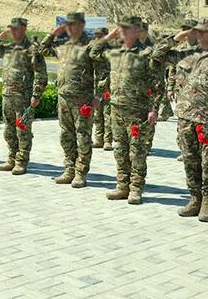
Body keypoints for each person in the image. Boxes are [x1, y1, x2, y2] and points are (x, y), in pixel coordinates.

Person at [153, 18, 208, 222]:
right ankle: (194, 199)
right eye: (197, 31)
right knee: (190, 162)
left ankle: (207, 202)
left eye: (204, 31)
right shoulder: (186, 55)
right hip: (185, 119)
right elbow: (156, 55)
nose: (199, 34)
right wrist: (178, 37)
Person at [92, 17, 161, 205]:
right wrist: (109, 36)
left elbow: (157, 84)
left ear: (137, 31)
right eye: (120, 28)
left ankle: (136, 188)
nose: (121, 31)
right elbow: (93, 51)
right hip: (116, 109)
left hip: (137, 111)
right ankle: (122, 186)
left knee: (137, 151)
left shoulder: (147, 53)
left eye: (126, 28)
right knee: (120, 150)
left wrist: (154, 109)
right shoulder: (115, 52)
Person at [40, 12, 108, 188]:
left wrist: (98, 96)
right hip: (63, 98)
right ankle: (69, 169)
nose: (69, 28)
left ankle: (80, 173)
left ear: (81, 25)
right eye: (67, 25)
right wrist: (53, 33)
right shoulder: (63, 46)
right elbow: (43, 49)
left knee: (83, 137)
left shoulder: (90, 46)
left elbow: (103, 73)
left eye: (73, 24)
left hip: (82, 100)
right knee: (66, 136)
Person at [0, 17, 48, 175]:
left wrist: (36, 95)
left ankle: (21, 161)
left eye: (16, 28)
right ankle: (11, 158)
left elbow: (41, 74)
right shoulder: (8, 48)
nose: (13, 31)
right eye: (11, 28)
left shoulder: (32, 50)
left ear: (24, 29)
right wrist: (0, 37)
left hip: (24, 97)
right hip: (7, 95)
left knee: (23, 130)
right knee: (8, 130)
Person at [168, 19, 198, 161]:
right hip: (182, 94)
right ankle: (185, 150)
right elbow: (172, 70)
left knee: (198, 125)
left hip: (199, 96)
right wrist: (170, 88)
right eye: (184, 29)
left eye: (189, 29)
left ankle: (197, 152)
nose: (186, 32)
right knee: (183, 125)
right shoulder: (180, 50)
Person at [92, 27, 113, 150]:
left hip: (108, 87)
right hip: (97, 85)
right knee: (97, 113)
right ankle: (98, 139)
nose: (97, 37)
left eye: (100, 35)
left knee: (107, 113)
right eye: (96, 35)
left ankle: (107, 140)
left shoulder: (110, 51)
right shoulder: (95, 51)